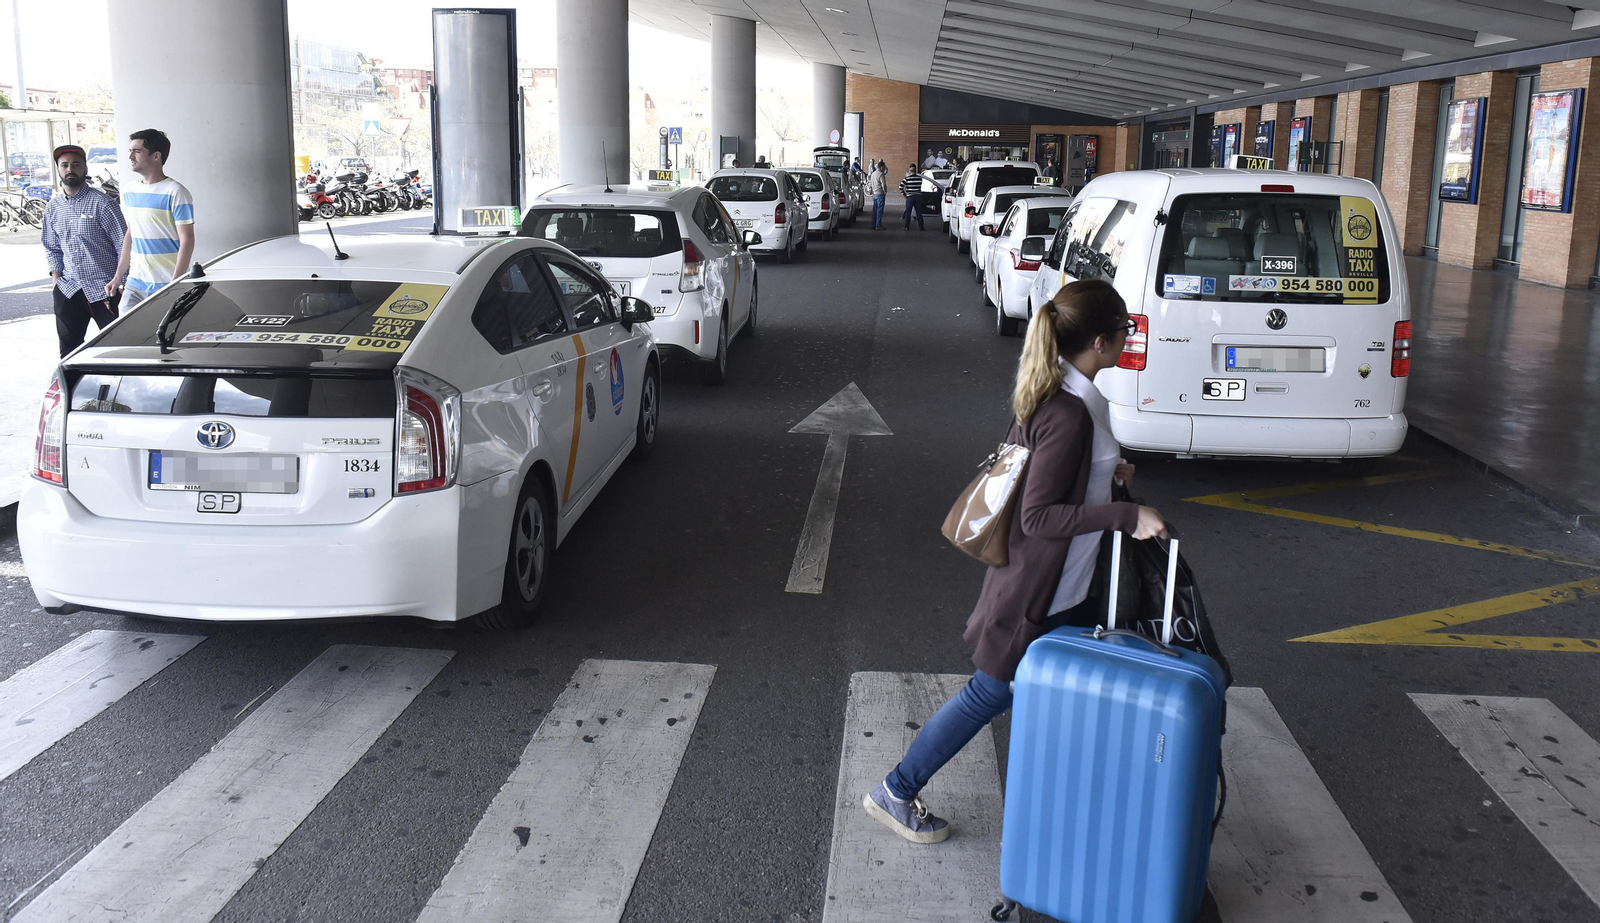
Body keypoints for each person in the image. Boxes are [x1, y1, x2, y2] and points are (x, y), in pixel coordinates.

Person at [861, 279, 1167, 844]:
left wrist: (1110, 473)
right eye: (1125, 330)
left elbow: (1060, 471)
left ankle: (1059, 806)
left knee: (1058, 694)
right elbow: (1038, 517)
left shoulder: (1073, 392)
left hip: (1067, 589)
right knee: (990, 693)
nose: (1129, 337)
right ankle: (896, 790)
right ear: (1100, 342)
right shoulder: (1069, 410)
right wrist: (1127, 516)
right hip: (1036, 592)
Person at [42, 144, 127, 357]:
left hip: (105, 289)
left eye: (76, 164)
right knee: (69, 352)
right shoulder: (53, 207)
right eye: (65, 165)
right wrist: (56, 282)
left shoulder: (103, 204)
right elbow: (52, 247)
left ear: (85, 168)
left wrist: (121, 281)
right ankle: (71, 389)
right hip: (68, 289)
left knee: (118, 348)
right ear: (59, 170)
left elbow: (124, 244)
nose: (70, 169)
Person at [107, 129, 193, 308]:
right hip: (135, 283)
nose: (130, 156)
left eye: (137, 151)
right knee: (128, 334)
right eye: (131, 150)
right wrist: (117, 277)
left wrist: (175, 283)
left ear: (156, 156)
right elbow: (131, 234)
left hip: (166, 285)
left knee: (161, 335)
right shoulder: (129, 190)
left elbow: (187, 239)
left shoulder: (176, 192)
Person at [899, 163, 925, 231]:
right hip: (918, 196)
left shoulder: (907, 179)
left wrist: (904, 194)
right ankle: (921, 227)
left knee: (908, 212)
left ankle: (907, 227)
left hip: (910, 197)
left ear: (909, 170)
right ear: (915, 170)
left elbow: (900, 187)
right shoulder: (920, 179)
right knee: (919, 212)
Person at [866, 161, 888, 230]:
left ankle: (873, 224)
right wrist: (885, 191)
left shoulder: (873, 174)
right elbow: (883, 184)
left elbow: (870, 183)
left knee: (875, 210)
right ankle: (878, 225)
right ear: (881, 167)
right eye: (884, 167)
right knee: (879, 210)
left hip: (874, 194)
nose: (884, 168)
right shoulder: (881, 174)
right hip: (880, 193)